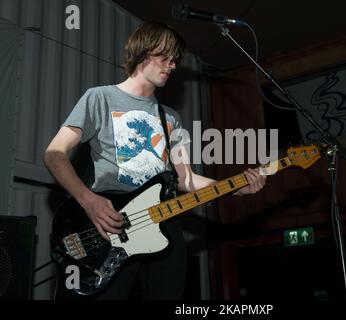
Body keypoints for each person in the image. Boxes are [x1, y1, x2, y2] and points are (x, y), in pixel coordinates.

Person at [44, 21, 266, 300]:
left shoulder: (171, 117)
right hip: (110, 219)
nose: (172, 65)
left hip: (164, 223)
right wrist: (89, 201)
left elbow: (186, 180)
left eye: (175, 60)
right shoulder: (99, 98)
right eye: (165, 57)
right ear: (142, 52)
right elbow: (54, 154)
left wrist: (235, 186)